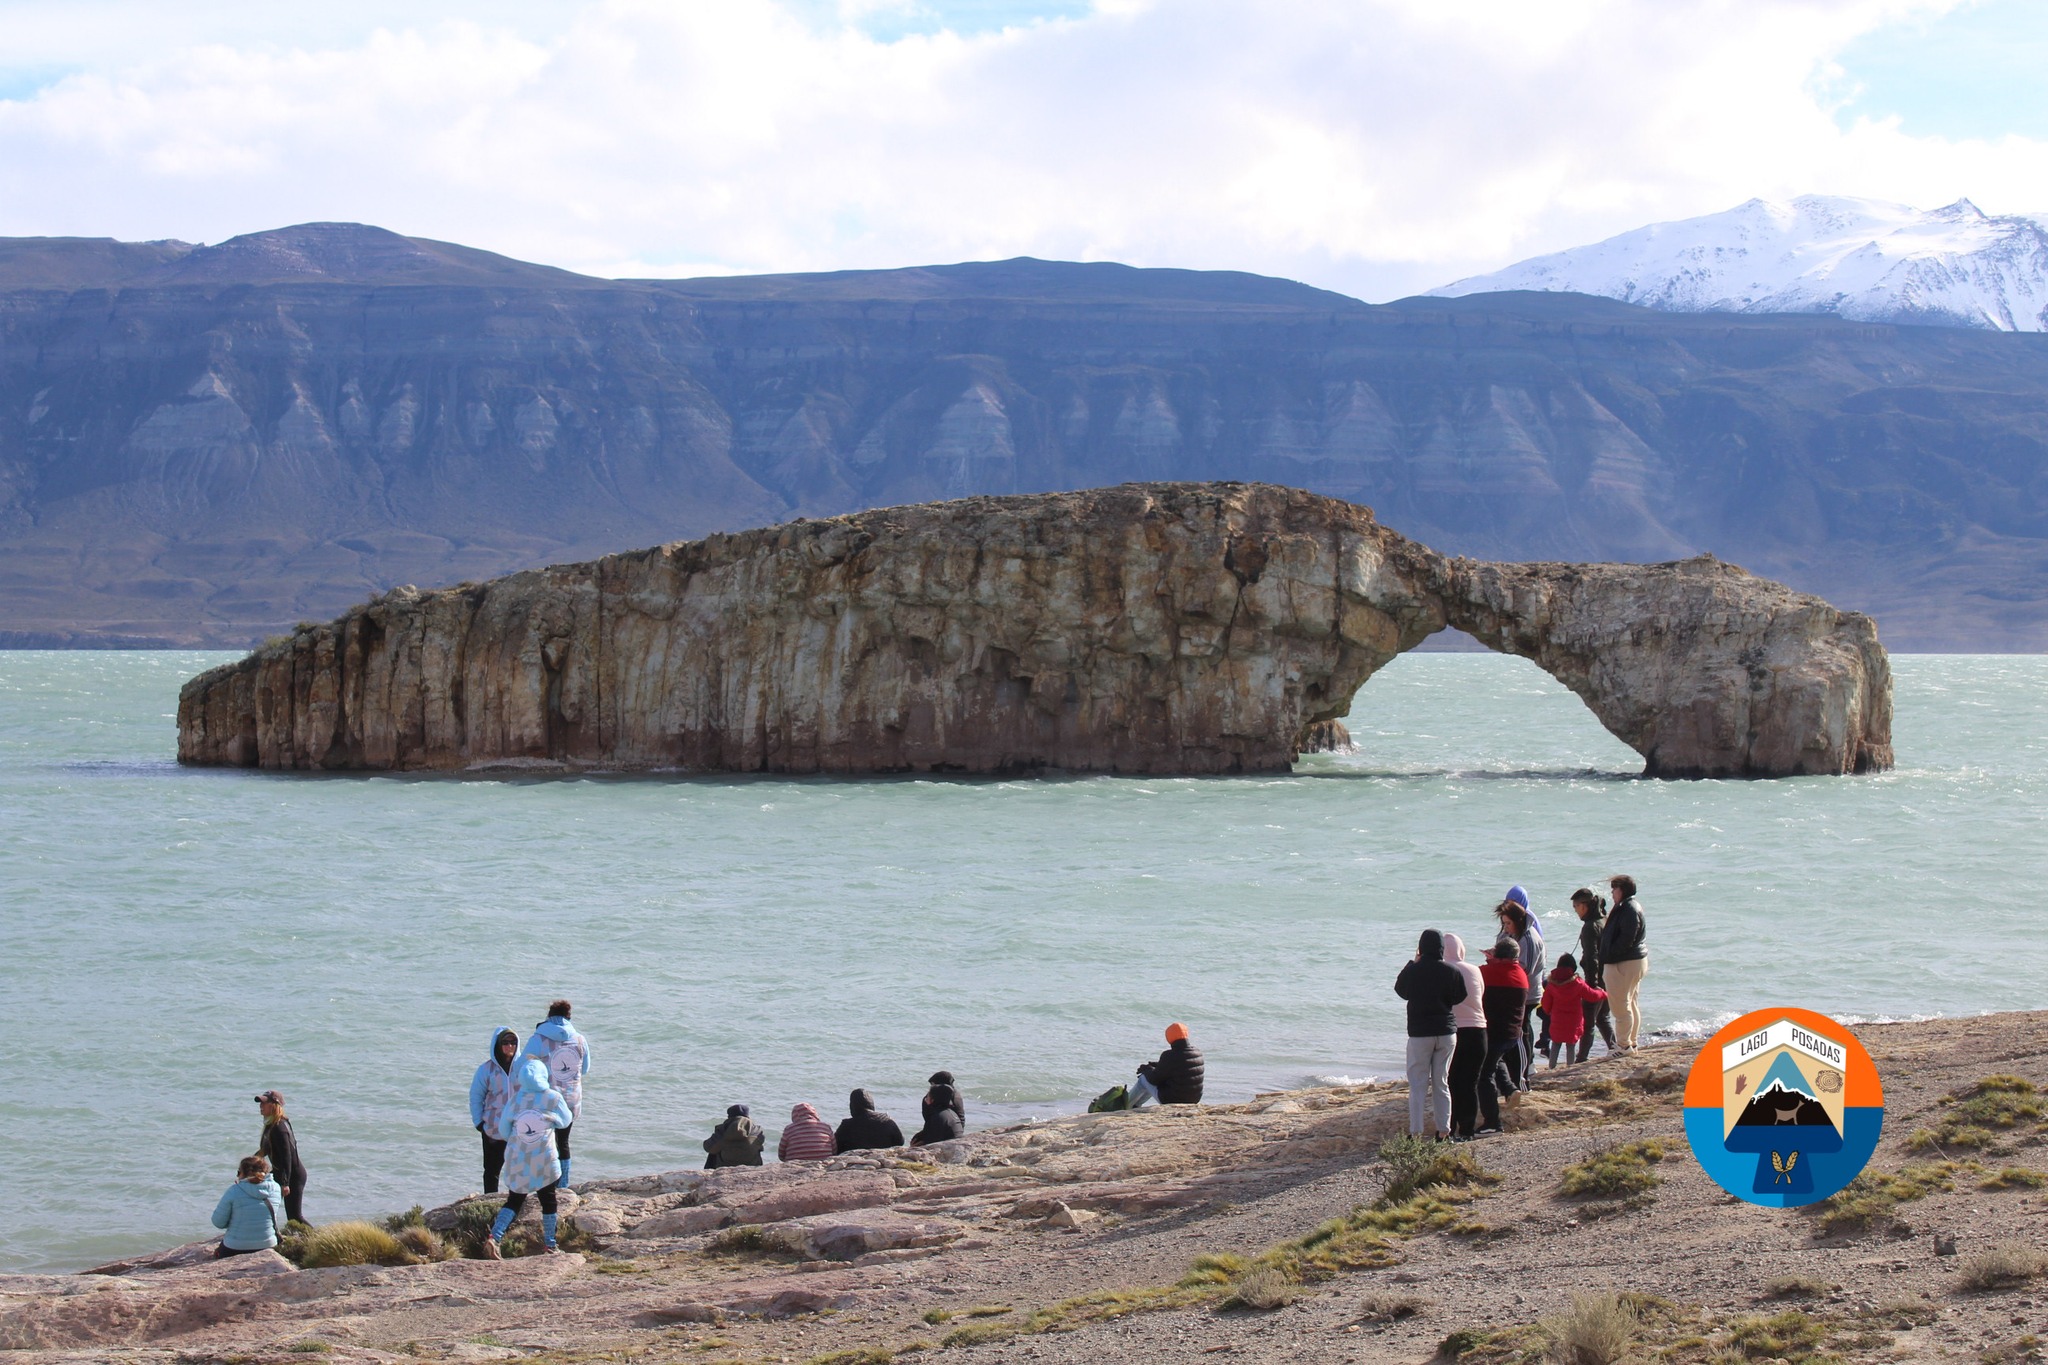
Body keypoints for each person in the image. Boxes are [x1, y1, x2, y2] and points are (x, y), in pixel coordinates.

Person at [484, 1057, 574, 1257]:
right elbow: (566, 1120)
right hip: (543, 1159)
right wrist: (552, 1120)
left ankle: (494, 1236)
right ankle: (550, 1245)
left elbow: (503, 1130)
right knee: (549, 1201)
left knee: (515, 1200)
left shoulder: (516, 1099)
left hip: (519, 1158)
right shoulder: (553, 1097)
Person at [1394, 928, 1467, 1140]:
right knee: (1441, 1082)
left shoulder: (1414, 971)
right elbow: (1459, 996)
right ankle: (1443, 1131)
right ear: (1441, 949)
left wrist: (1412, 963)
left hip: (1420, 1033)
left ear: (1421, 948)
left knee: (1417, 1085)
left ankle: (1416, 1132)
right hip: (1446, 1032)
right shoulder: (1452, 971)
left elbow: (1401, 990)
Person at [522, 1001, 591, 1190]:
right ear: (569, 1017)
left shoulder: (538, 1038)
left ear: (549, 1016)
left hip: (546, 1100)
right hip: (570, 1100)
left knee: (543, 1143)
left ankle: (545, 1186)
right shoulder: (580, 1039)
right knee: (563, 1142)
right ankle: (563, 1185)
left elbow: (522, 1066)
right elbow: (585, 1069)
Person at [1476, 938, 1529, 1133]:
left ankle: (1492, 1123)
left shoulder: (1487, 972)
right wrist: (1494, 959)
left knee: (1484, 1075)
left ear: (1498, 955)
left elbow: (1473, 977)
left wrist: (1490, 961)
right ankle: (1509, 1089)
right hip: (1512, 1034)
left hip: (1493, 1033)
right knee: (1495, 1060)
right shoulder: (1521, 974)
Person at [1442, 932, 1488, 1140]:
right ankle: (1467, 1130)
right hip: (1478, 1030)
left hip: (1454, 1030)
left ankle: (1449, 1129)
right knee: (1470, 1083)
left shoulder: (1442, 969)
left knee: (1450, 1082)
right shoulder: (1475, 970)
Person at [1495, 901, 1545, 1087]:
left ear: (1518, 921)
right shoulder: (1509, 933)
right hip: (1509, 989)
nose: (1506, 927)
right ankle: (1514, 1070)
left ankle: (1525, 1071)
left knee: (1522, 1030)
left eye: (1508, 923)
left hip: (1526, 992)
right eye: (1504, 923)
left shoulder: (1529, 939)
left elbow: (1525, 969)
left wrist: (1501, 964)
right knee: (1513, 1030)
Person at [1600, 875, 1650, 1052]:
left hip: (1624, 963)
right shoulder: (1630, 906)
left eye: (1614, 889)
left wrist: (1611, 954)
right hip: (1634, 961)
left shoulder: (1628, 909)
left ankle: (1623, 1045)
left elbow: (1627, 938)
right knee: (1631, 1003)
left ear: (1622, 890)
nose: (1612, 893)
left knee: (1621, 1006)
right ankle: (1631, 1041)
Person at [469, 1027, 520, 1193]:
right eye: (505, 1042)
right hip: (493, 1129)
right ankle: (490, 1201)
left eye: (513, 1042)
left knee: (518, 1169)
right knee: (491, 1171)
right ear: (498, 1044)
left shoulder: (523, 1067)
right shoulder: (486, 1070)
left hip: (518, 1129)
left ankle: (515, 1202)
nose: (510, 1046)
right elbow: (476, 1096)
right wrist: (479, 1123)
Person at [1569, 889, 1618, 1059]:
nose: (1575, 911)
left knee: (1588, 1021)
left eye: (1575, 907)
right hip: (1610, 974)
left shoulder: (1590, 927)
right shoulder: (1604, 919)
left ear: (1584, 906)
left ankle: (1581, 1058)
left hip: (1597, 978)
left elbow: (1592, 957)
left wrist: (1592, 985)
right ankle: (1614, 1047)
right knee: (1603, 1017)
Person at [1537, 954, 1609, 1068]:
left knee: (1556, 1043)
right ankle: (1569, 1067)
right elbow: (1592, 996)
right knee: (1571, 1045)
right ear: (1573, 968)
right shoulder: (1578, 983)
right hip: (1573, 1021)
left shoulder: (1551, 984)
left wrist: (1549, 1012)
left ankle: (1552, 1067)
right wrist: (1603, 993)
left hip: (1557, 1020)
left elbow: (1545, 1003)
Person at [210, 1154, 286, 1258]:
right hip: (268, 1244)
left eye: (238, 1172)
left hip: (235, 1247)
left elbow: (218, 1222)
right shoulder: (276, 1188)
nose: (237, 1176)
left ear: (243, 1173)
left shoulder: (234, 1190)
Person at [254, 1091, 308, 1225]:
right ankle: (264, 1230)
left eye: (264, 1103)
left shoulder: (280, 1127)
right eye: (260, 1103)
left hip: (293, 1176)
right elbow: (265, 1150)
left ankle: (316, 1236)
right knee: (260, 1202)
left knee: (295, 1217)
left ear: (274, 1105)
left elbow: (286, 1157)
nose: (261, 1106)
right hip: (280, 1173)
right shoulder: (271, 1125)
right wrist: (247, 1167)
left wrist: (285, 1183)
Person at [1129, 1023, 1205, 1107]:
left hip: (1172, 1100)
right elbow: (1182, 1067)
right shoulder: (1197, 1052)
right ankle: (1135, 1106)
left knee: (1143, 1078)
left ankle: (1126, 1104)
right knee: (1154, 1077)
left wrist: (1146, 1070)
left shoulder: (1169, 1055)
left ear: (1169, 1038)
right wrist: (1157, 1066)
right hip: (1194, 1099)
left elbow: (1154, 1080)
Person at [834, 1089, 905, 1151]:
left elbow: (835, 1147)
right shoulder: (888, 1121)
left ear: (852, 1106)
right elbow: (900, 1142)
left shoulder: (846, 1126)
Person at [912, 1080, 966, 1146]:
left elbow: (931, 1141)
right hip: (956, 1144)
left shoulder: (938, 1116)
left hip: (950, 1148)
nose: (925, 1098)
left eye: (928, 1096)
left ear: (933, 1100)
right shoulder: (950, 1113)